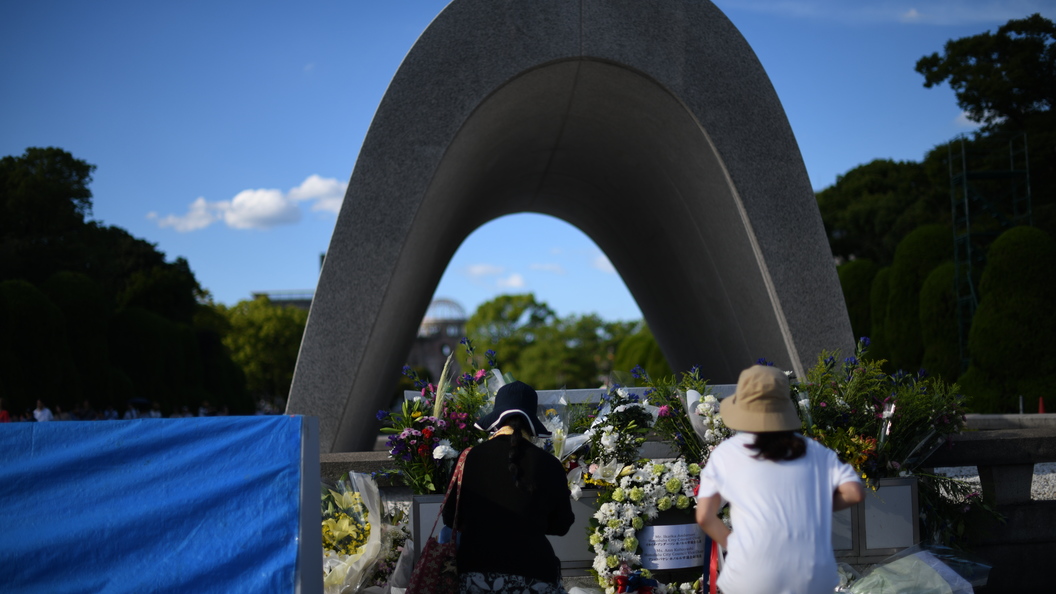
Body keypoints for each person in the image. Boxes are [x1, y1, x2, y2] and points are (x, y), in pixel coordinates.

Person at [695, 365, 865, 594]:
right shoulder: (816, 451)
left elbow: (705, 516)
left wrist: (734, 545)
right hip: (813, 577)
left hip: (750, 577)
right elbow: (854, 492)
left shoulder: (726, 453)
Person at [443, 381, 575, 594]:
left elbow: (450, 518)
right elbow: (562, 525)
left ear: (497, 417)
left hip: (476, 575)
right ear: (531, 420)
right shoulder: (549, 463)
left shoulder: (468, 458)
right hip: (536, 575)